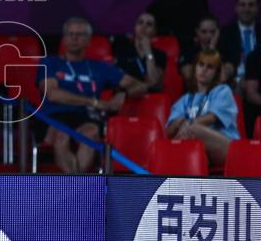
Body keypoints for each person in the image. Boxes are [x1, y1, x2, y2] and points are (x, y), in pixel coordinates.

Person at [41, 17, 149, 174]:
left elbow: (141, 86)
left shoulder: (99, 67)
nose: (74, 38)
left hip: (87, 116)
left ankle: (74, 187)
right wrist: (94, 102)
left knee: (91, 133)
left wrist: (122, 93)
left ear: (89, 40)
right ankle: (78, 187)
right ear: (63, 39)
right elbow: (52, 94)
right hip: (55, 115)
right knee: (61, 136)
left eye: (80, 34)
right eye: (70, 34)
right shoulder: (49, 63)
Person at [166, 50, 240, 170]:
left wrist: (186, 125)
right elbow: (169, 131)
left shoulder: (223, 91)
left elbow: (211, 118)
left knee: (192, 131)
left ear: (216, 73)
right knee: (198, 156)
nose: (204, 70)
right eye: (201, 64)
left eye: (209, 67)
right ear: (195, 67)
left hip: (229, 149)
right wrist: (176, 124)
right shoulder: (186, 99)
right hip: (198, 148)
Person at [218, 0, 261, 88]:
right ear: (236, 7)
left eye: (251, 5)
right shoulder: (224, 33)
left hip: (260, 82)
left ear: (258, 7)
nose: (247, 9)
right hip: (233, 82)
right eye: (242, 5)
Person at [112, 12, 166, 93]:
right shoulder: (122, 50)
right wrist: (145, 85)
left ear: (154, 31)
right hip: (126, 97)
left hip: (150, 99)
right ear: (135, 27)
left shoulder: (160, 55)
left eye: (149, 24)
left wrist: (148, 51)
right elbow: (120, 80)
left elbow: (154, 80)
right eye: (140, 22)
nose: (143, 27)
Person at [180, 14, 234, 83]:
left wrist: (212, 50)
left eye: (212, 32)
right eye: (204, 32)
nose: (208, 36)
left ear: (218, 32)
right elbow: (189, 76)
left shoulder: (226, 50)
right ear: (197, 32)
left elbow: (223, 78)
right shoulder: (188, 51)